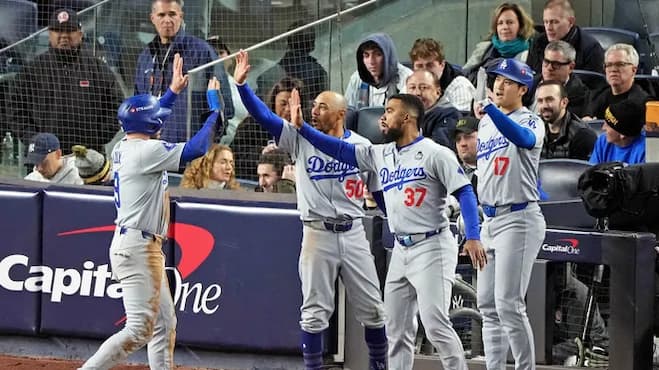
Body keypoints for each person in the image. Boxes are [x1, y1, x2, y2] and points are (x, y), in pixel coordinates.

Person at [286, 87, 486, 368]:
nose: (383, 117)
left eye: (389, 111)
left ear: (406, 117)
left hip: (432, 245)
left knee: (435, 324)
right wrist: (303, 129)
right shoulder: (380, 153)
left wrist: (474, 236)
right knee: (396, 330)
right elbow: (341, 149)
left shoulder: (435, 153)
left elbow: (465, 192)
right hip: (401, 251)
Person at [234, 50, 389, 370]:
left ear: (341, 113)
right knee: (315, 310)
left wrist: (392, 222)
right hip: (317, 233)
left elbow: (377, 191)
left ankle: (379, 366)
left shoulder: (361, 145)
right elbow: (265, 116)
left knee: (374, 309)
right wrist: (242, 87)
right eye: (313, 105)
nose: (314, 110)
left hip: (353, 232)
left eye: (322, 106)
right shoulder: (297, 138)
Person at [78, 54, 222, 369]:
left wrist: (172, 91)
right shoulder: (147, 151)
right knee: (140, 329)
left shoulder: (125, 145)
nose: (161, 117)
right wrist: (214, 114)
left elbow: (152, 117)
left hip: (138, 244)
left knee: (163, 325)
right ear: (150, 123)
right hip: (138, 249)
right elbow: (197, 149)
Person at [474, 58, 547, 369]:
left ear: (523, 88)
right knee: (488, 305)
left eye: (507, 80)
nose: (499, 84)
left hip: (520, 219)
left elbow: (523, 139)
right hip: (489, 220)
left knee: (509, 305)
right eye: (497, 79)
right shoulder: (485, 122)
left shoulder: (531, 121)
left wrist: (490, 109)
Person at [9, 8, 123, 154]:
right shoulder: (32, 70)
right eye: (58, 30)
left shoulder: (98, 69)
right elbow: (16, 110)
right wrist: (35, 141)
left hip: (88, 156)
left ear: (80, 34)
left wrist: (98, 137)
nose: (64, 36)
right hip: (44, 158)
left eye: (69, 30)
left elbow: (116, 105)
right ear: (49, 34)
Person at [134, 0, 234, 143]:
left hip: (189, 149)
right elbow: (137, 102)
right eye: (161, 15)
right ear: (153, 18)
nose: (167, 20)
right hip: (152, 148)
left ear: (181, 16)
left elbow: (224, 104)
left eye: (172, 14)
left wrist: (209, 142)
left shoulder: (201, 51)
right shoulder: (146, 57)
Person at [231, 76, 305, 181]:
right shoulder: (253, 124)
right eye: (283, 104)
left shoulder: (306, 130)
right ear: (274, 102)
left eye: (293, 104)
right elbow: (233, 157)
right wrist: (262, 154)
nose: (288, 109)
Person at [256, 21, 328, 108]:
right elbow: (323, 107)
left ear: (288, 43)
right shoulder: (319, 74)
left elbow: (257, 108)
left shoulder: (266, 76)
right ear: (312, 45)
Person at [463, 2, 535, 85]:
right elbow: (464, 75)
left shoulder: (532, 50)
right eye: (500, 23)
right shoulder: (484, 49)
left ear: (521, 25)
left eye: (510, 22)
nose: (505, 27)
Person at [526, 0, 604, 74]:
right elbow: (529, 75)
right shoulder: (538, 42)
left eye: (555, 22)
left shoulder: (591, 48)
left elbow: (594, 84)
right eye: (546, 22)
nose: (549, 28)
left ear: (571, 22)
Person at [344, 33, 413, 108]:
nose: (371, 62)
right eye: (366, 56)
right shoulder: (357, 79)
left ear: (388, 56)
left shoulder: (407, 78)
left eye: (378, 54)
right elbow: (347, 111)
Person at [525, 41, 592, 117]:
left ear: (571, 67)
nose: (549, 68)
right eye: (546, 62)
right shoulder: (529, 83)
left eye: (556, 64)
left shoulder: (580, 96)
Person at [583, 44, 649, 121]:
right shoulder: (595, 97)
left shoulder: (642, 102)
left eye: (620, 64)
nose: (613, 69)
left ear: (634, 70)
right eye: (609, 65)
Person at [535, 80, 597, 160]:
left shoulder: (582, 135)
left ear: (564, 102)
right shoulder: (535, 128)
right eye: (540, 101)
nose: (544, 106)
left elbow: (581, 170)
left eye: (549, 99)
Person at [409, 38, 475, 111]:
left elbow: (461, 120)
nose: (425, 71)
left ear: (442, 65)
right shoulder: (410, 83)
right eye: (419, 66)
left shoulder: (460, 86)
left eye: (430, 65)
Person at [206, 36, 249, 146]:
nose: (218, 58)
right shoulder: (208, 84)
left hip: (240, 140)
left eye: (221, 52)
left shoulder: (239, 81)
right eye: (214, 54)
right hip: (218, 142)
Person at [405, 69, 461, 149]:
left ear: (438, 92)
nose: (417, 93)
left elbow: (440, 148)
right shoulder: (400, 115)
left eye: (424, 87)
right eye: (412, 87)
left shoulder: (449, 114)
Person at [589, 100, 646, 164]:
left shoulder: (644, 152)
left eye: (608, 125)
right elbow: (591, 171)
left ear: (622, 134)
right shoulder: (602, 141)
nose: (603, 128)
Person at [453, 116, 479, 193]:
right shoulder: (452, 174)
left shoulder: (493, 170)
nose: (462, 144)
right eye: (458, 139)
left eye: (468, 137)